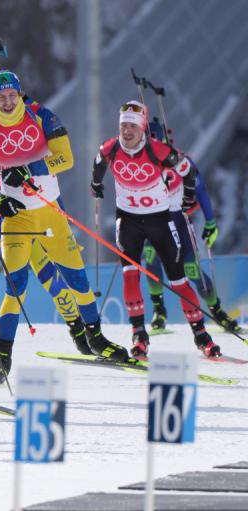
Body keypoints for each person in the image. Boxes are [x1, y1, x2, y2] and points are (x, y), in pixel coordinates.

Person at [0, 70, 130, 383]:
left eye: (10, 96)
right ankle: (2, 357)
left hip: (50, 212)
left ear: (19, 94)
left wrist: (28, 168)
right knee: (15, 289)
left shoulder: (42, 117)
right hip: (17, 219)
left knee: (77, 279)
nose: (5, 102)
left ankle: (95, 338)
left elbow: (66, 158)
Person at [0, 65, 91, 376]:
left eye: (2, 97)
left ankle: (79, 330)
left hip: (26, 214)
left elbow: (49, 150)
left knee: (49, 277)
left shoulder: (22, 115)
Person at [91, 101, 220, 358]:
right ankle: (139, 335)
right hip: (128, 221)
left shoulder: (159, 150)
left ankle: (201, 335)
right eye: (123, 126)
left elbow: (188, 171)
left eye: (132, 126)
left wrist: (189, 196)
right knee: (131, 275)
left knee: (178, 279)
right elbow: (98, 163)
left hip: (159, 221)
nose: (126, 132)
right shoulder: (110, 148)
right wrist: (96, 184)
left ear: (142, 129)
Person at [141, 121, 241, 335]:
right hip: (153, 222)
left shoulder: (179, 159)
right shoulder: (141, 160)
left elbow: (201, 190)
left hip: (178, 221)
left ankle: (217, 311)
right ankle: (159, 312)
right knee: (151, 262)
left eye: (155, 142)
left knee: (191, 270)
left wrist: (210, 222)